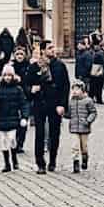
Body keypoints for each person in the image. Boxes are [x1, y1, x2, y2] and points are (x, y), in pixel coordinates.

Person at [30, 45, 69, 174]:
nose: (53, 50)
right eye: (49, 48)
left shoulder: (60, 66)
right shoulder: (35, 66)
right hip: (40, 103)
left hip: (55, 103)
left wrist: (62, 105)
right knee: (39, 134)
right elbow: (26, 83)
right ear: (43, 51)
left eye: (54, 48)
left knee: (54, 134)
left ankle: (52, 160)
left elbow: (65, 86)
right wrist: (31, 89)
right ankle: (40, 162)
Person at [0, 66, 28, 171]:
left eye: (9, 75)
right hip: (2, 118)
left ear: (13, 76)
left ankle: (14, 159)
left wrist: (24, 116)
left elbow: (23, 103)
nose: (7, 78)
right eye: (5, 75)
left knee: (12, 138)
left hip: (13, 118)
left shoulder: (18, 89)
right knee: (3, 140)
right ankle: (7, 163)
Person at [66, 80, 97, 173]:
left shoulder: (88, 101)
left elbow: (93, 112)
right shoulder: (71, 102)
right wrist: (64, 114)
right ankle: (75, 162)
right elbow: (69, 114)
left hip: (84, 128)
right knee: (75, 146)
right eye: (73, 89)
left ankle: (84, 158)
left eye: (77, 89)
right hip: (74, 127)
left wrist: (88, 121)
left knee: (84, 146)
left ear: (82, 90)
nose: (75, 91)